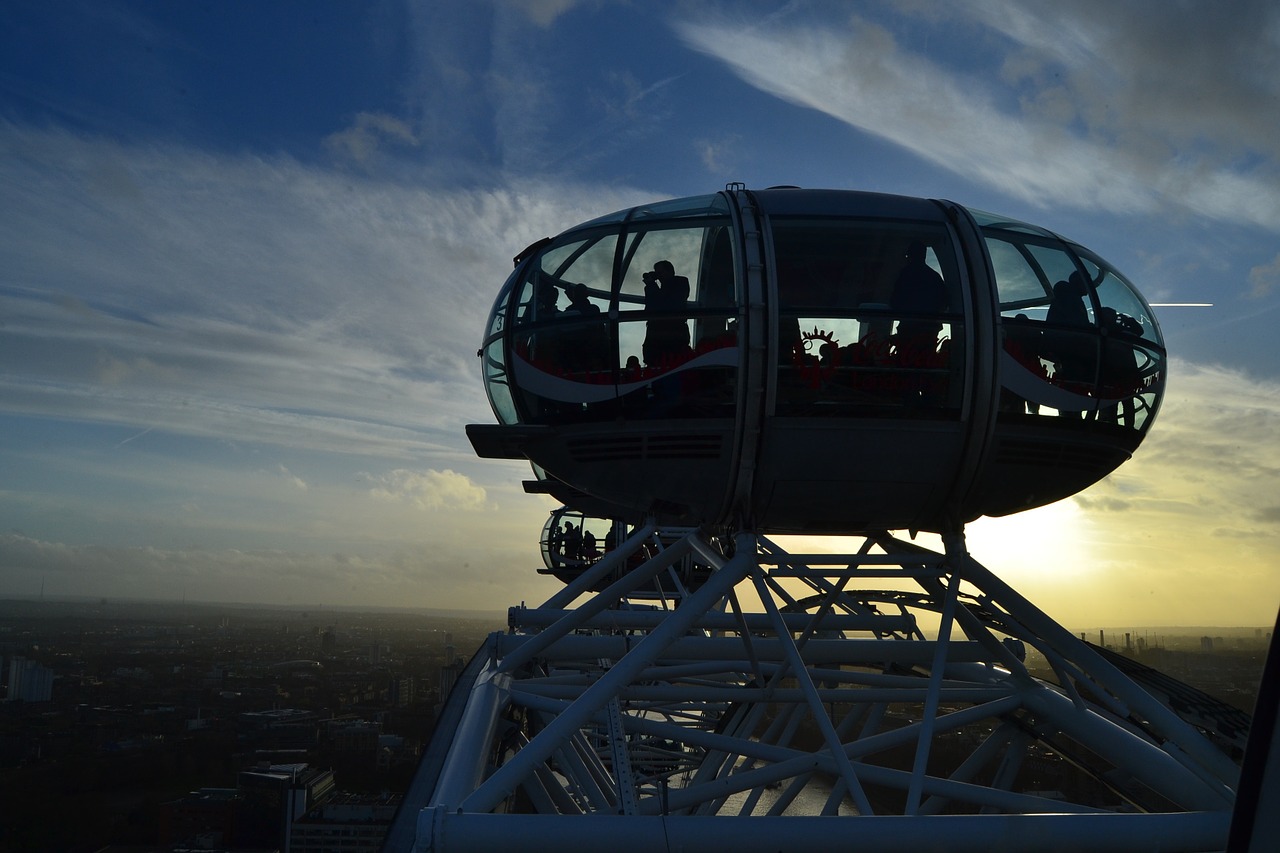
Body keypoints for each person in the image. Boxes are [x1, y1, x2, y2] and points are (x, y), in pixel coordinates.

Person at [890, 242, 946, 349]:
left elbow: (895, 300)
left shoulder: (904, 274)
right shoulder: (934, 276)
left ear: (909, 256)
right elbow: (943, 303)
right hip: (929, 330)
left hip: (909, 328)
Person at [642, 260, 691, 368]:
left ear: (670, 271)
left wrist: (651, 285)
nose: (659, 276)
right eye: (657, 273)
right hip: (656, 339)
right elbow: (649, 309)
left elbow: (667, 304)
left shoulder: (680, 283)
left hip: (674, 337)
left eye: (660, 272)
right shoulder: (657, 289)